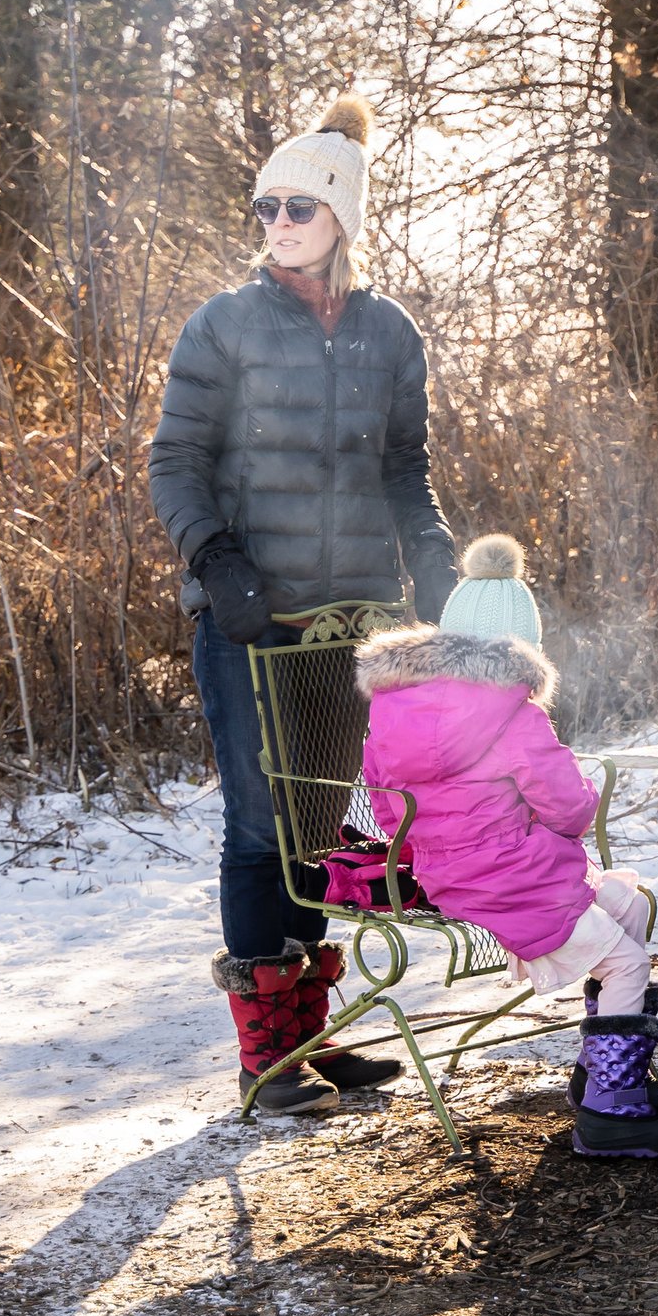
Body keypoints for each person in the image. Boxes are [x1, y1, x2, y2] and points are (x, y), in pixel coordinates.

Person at [149, 94, 455, 1116]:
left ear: (342, 219)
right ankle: (267, 1057)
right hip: (250, 619)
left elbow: (405, 471)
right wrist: (216, 559)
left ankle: (308, 1034)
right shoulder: (224, 325)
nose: (277, 223)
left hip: (351, 623)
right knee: (257, 826)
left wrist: (440, 572)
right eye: (266, 206)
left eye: (297, 206)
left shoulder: (387, 332)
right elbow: (174, 463)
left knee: (317, 826)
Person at [355, 537, 658, 1160]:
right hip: (512, 881)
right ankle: (611, 1114)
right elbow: (570, 809)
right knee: (627, 964)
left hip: (450, 877)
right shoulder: (514, 712)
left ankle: (606, 1073)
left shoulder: (392, 708)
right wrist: (565, 802)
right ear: (521, 646)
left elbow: (385, 813)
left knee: (629, 905)